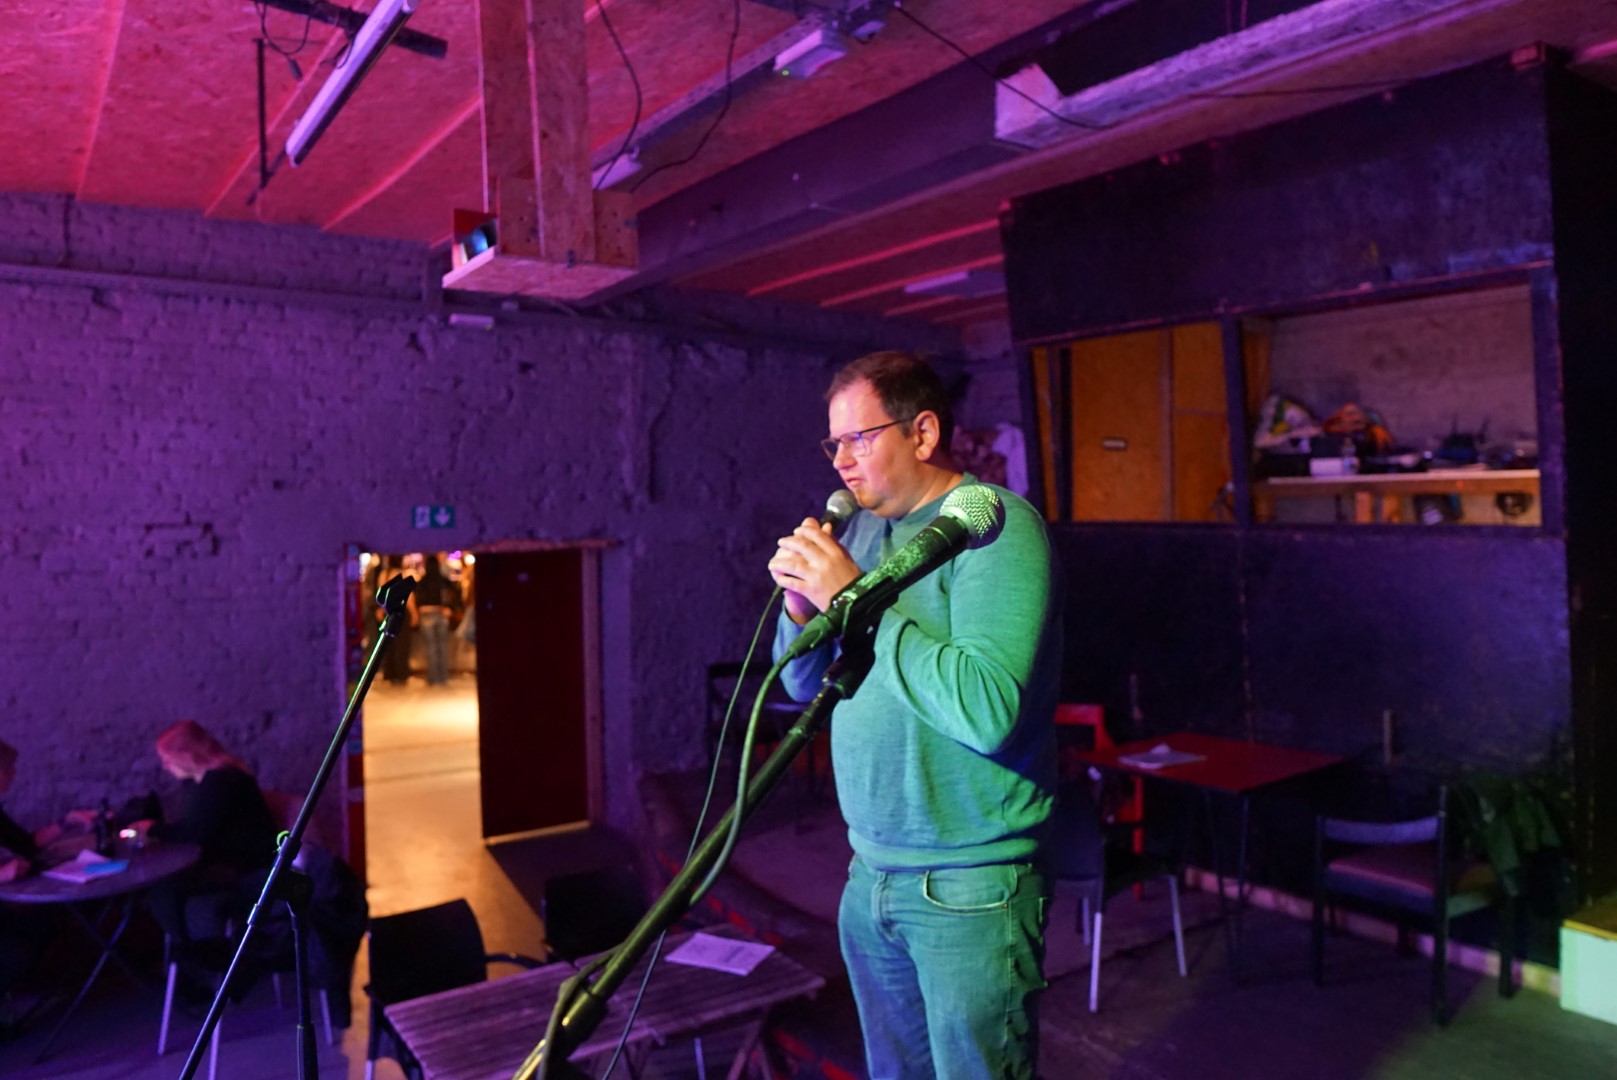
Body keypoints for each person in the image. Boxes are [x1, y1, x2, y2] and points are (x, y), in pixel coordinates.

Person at [767, 351, 1061, 1080]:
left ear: (922, 433)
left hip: (968, 885)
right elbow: (800, 684)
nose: (841, 460)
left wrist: (853, 599)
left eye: (859, 438)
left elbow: (988, 709)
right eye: (833, 443)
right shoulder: (861, 535)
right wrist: (800, 607)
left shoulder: (995, 529)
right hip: (870, 872)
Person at [145, 721, 279, 942]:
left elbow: (196, 833)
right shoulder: (202, 781)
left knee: (163, 887)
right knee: (164, 883)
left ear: (188, 754)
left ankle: (190, 952)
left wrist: (151, 829)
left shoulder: (222, 780)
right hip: (230, 858)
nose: (165, 766)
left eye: (168, 759)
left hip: (247, 865)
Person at [414, 554, 462, 686]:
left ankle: (433, 677)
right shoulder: (444, 581)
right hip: (442, 614)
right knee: (442, 646)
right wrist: (449, 608)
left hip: (427, 615)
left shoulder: (423, 582)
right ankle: (443, 676)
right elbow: (456, 594)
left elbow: (419, 601)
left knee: (431, 647)